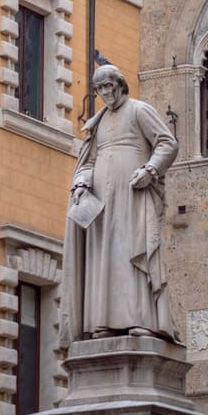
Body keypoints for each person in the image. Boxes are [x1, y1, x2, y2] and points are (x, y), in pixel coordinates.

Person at [58, 64, 180, 348]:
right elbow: (88, 162)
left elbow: (167, 143)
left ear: (120, 85)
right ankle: (103, 323)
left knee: (131, 253)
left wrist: (150, 170)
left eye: (110, 86)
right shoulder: (98, 123)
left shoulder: (139, 110)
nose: (106, 93)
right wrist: (81, 183)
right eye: (100, 89)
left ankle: (141, 320)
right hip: (101, 203)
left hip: (132, 197)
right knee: (104, 258)